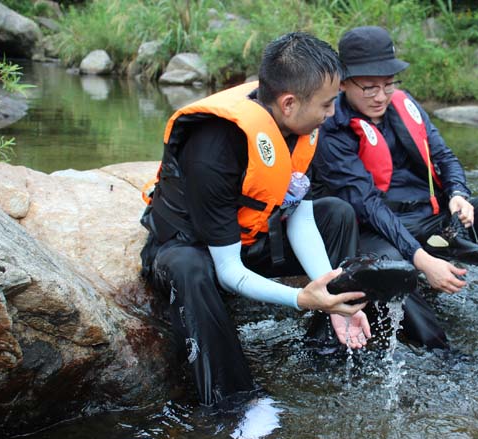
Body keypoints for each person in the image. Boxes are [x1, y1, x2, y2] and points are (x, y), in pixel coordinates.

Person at [139, 32, 371, 406]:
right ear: (290, 103)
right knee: (188, 267)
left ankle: (326, 346)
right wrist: (301, 299)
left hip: (249, 239)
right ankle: (233, 402)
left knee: (338, 214)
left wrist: (327, 292)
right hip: (196, 249)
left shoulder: (295, 127)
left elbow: (301, 215)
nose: (332, 115)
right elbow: (227, 270)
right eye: (328, 105)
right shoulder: (214, 145)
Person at [313, 26, 478, 347]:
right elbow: (367, 204)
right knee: (394, 270)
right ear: (344, 82)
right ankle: (440, 351)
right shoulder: (331, 128)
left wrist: (459, 193)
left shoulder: (404, 105)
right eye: (369, 87)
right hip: (380, 230)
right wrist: (422, 260)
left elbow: (443, 155)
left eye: (389, 85)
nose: (381, 96)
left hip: (434, 220)